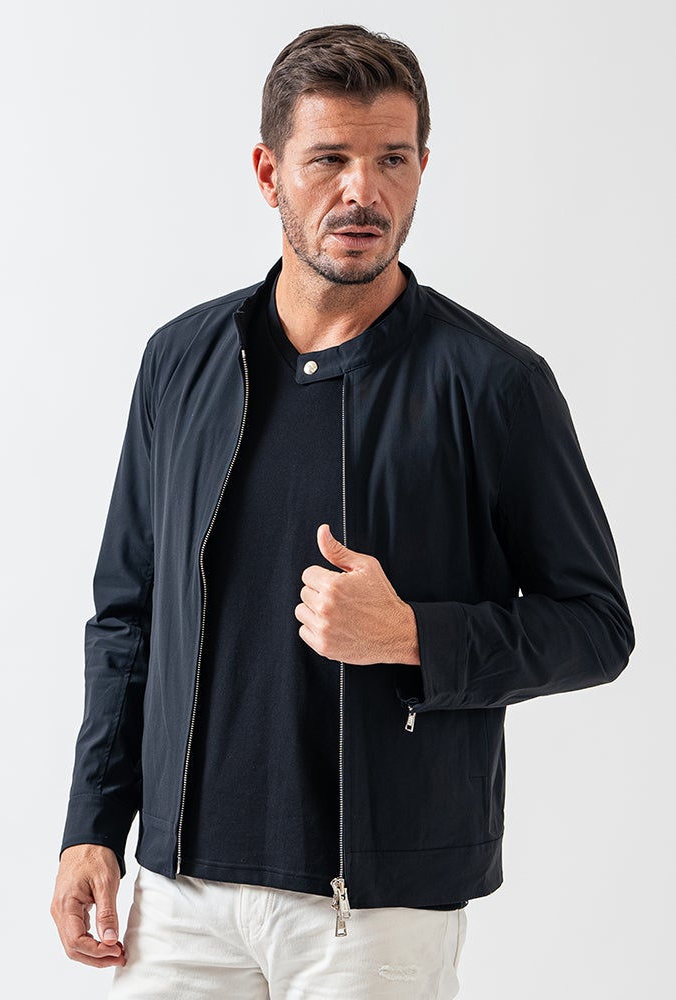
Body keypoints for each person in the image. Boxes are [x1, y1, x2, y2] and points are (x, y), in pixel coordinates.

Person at [50, 23, 634, 999]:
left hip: (373, 911)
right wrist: (91, 826)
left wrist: (413, 636)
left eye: (391, 159)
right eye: (328, 159)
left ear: (421, 169)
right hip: (179, 893)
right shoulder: (182, 362)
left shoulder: (493, 384)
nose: (362, 192)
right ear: (268, 172)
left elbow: (596, 627)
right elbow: (128, 615)